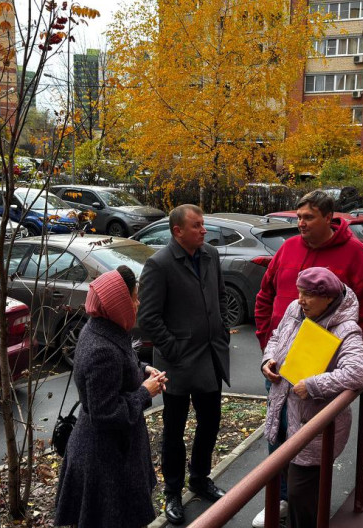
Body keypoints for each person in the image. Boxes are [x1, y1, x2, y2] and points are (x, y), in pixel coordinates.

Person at [251, 190, 363, 527]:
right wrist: (268, 348)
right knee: (277, 433)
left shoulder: (354, 253)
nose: (301, 223)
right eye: (298, 217)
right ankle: (281, 499)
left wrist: (337, 365)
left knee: (309, 446)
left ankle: (304, 505)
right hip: (280, 371)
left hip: (319, 377)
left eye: (308, 217)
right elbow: (265, 296)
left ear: (327, 217)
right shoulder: (288, 248)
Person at [138, 204, 231, 525]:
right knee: (173, 431)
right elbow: (148, 317)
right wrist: (173, 349)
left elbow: (220, 296)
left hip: (210, 357)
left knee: (210, 422)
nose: (204, 230)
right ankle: (173, 492)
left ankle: (200, 478)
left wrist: (221, 330)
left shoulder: (210, 255)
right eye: (197, 225)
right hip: (176, 364)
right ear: (178, 231)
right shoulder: (159, 264)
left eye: (203, 224)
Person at [54, 266, 168, 528]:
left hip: (115, 452)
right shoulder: (101, 349)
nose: (138, 303)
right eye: (134, 298)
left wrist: (142, 370)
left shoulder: (102, 328)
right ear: (119, 303)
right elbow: (105, 413)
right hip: (106, 460)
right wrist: (145, 391)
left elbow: (120, 369)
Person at [260, 267, 363, 528]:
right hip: (283, 412)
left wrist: (313, 385)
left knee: (301, 495)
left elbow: (360, 373)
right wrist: (268, 360)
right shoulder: (295, 309)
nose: (300, 300)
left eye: (308, 295)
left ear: (329, 298)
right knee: (290, 482)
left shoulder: (345, 329)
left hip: (312, 427)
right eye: (299, 292)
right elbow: (276, 336)